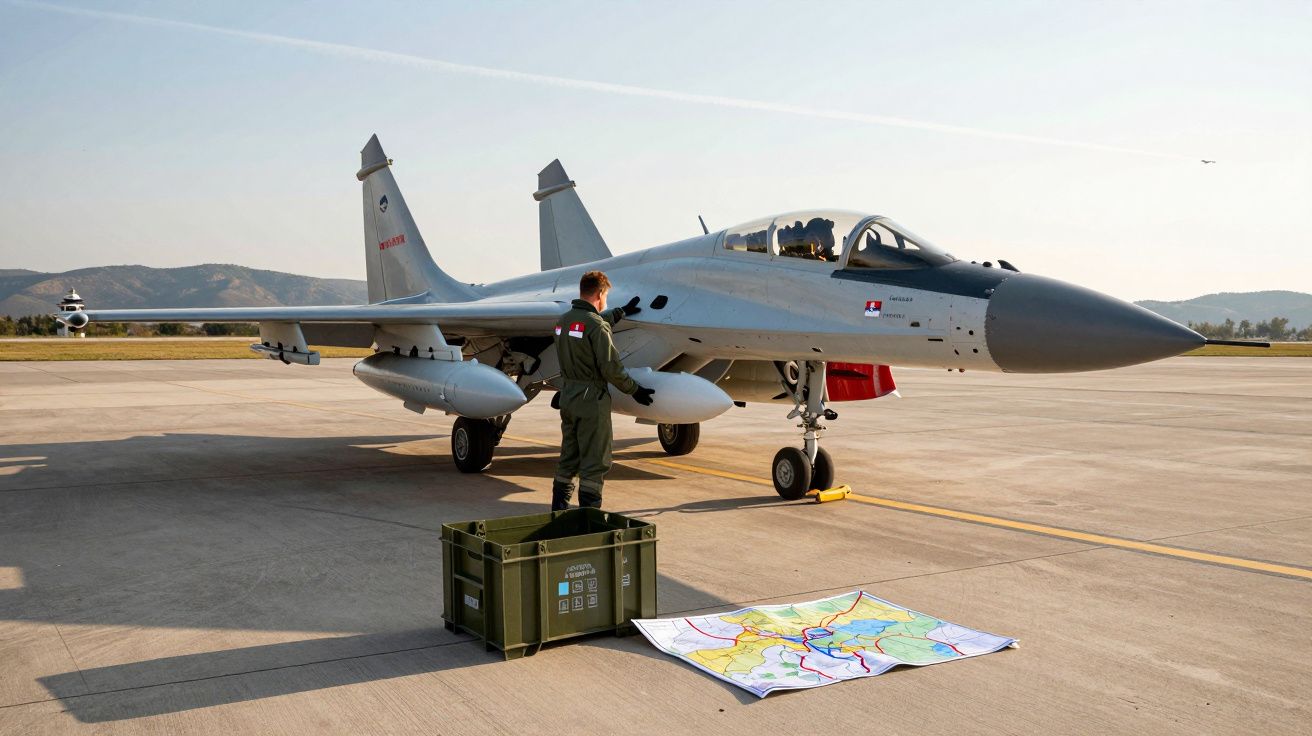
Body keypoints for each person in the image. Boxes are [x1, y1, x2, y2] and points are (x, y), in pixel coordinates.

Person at [551, 271, 654, 510]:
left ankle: (558, 513)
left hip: (569, 396)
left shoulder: (563, 322)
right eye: (606, 296)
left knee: (568, 459)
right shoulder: (596, 326)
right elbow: (612, 369)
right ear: (600, 293)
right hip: (591, 401)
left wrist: (619, 312)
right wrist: (634, 389)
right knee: (594, 463)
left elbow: (585, 328)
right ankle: (590, 519)